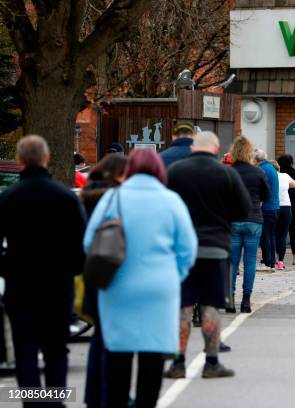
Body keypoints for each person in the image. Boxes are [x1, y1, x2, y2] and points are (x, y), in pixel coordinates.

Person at [83, 149, 197, 408]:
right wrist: (173, 274)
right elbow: (188, 249)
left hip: (117, 286)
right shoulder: (171, 201)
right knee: (152, 355)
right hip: (159, 288)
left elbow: (90, 241)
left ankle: (117, 402)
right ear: (159, 169)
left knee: (117, 353)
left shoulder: (112, 199)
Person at [0, 135, 86, 406]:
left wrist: (6, 267)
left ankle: (33, 403)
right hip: (57, 284)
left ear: (20, 160)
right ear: (47, 159)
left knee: (25, 350)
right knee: (56, 350)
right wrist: (71, 270)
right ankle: (54, 401)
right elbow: (80, 246)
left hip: (20, 283)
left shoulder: (8, 199)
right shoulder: (65, 198)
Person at [165, 131, 250, 379]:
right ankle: (211, 362)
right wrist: (223, 218)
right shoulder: (226, 173)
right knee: (211, 305)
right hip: (215, 247)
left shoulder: (176, 172)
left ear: (193, 148)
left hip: (182, 250)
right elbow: (243, 209)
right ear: (215, 148)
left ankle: (178, 363)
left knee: (183, 306)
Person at [79, 154, 127, 408]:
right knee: (116, 339)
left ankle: (92, 395)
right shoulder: (118, 199)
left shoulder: (85, 195)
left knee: (100, 336)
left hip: (93, 271)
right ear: (119, 174)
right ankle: (113, 394)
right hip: (114, 271)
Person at [228, 136, 270, 313]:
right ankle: (246, 300)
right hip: (253, 219)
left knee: (232, 261)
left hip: (233, 220)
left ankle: (229, 299)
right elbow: (266, 195)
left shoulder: (228, 172)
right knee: (250, 260)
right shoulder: (258, 172)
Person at [277, 154, 295, 266]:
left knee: (279, 233)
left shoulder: (278, 174)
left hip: (281, 205)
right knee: (294, 233)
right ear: (291, 162)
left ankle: (278, 258)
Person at [255, 149, 279, 272]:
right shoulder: (271, 168)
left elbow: (261, 191)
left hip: (266, 208)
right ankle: (272, 263)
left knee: (265, 237)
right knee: (271, 236)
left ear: (256, 159)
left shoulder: (262, 170)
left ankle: (267, 263)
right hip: (275, 207)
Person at [275, 161, 295, 270]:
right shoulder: (284, 175)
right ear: (278, 168)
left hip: (273, 207)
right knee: (282, 235)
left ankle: (273, 259)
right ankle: (280, 262)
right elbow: (294, 184)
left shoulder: (267, 176)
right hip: (286, 208)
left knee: (272, 234)